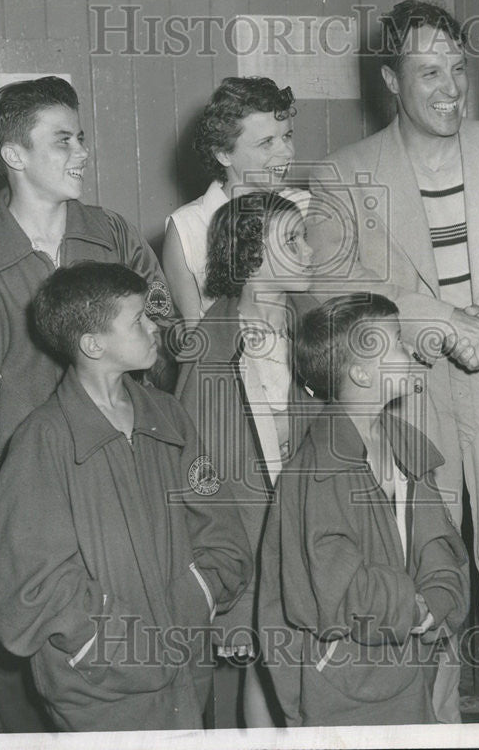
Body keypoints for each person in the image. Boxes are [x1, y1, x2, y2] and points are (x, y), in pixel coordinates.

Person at [307, 0, 479, 722]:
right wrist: (446, 322)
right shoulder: (343, 176)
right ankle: (434, 727)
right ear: (390, 79)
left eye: (457, 68)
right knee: (429, 576)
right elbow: (338, 290)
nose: (451, 88)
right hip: (409, 396)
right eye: (428, 71)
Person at [0, 76, 173, 731]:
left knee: (138, 676)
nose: (82, 151)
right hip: (28, 508)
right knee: (27, 693)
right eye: (63, 140)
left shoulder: (113, 236)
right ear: (15, 155)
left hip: (124, 497)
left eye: (81, 136)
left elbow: (170, 343)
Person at [0, 262, 252, 731]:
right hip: (99, 692)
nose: (154, 326)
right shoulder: (44, 441)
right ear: (93, 344)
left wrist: (192, 601)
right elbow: (25, 588)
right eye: (139, 319)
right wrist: (116, 645)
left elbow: (220, 527)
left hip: (186, 670)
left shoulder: (169, 417)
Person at [259, 293, 470, 726]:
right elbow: (338, 585)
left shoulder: (406, 446)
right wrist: (411, 609)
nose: (409, 350)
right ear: (358, 371)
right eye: (393, 342)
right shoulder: (318, 471)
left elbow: (437, 540)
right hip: (341, 681)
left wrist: (438, 599)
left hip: (406, 666)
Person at [173, 190, 319, 726]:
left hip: (317, 537)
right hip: (252, 549)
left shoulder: (318, 328)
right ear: (251, 257)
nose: (309, 250)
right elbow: (201, 487)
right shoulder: (211, 349)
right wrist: (232, 600)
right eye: (293, 240)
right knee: (265, 665)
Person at [164, 76, 303, 325]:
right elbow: (195, 334)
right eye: (267, 143)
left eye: (287, 136)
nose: (287, 152)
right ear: (224, 154)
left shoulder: (303, 208)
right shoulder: (187, 228)